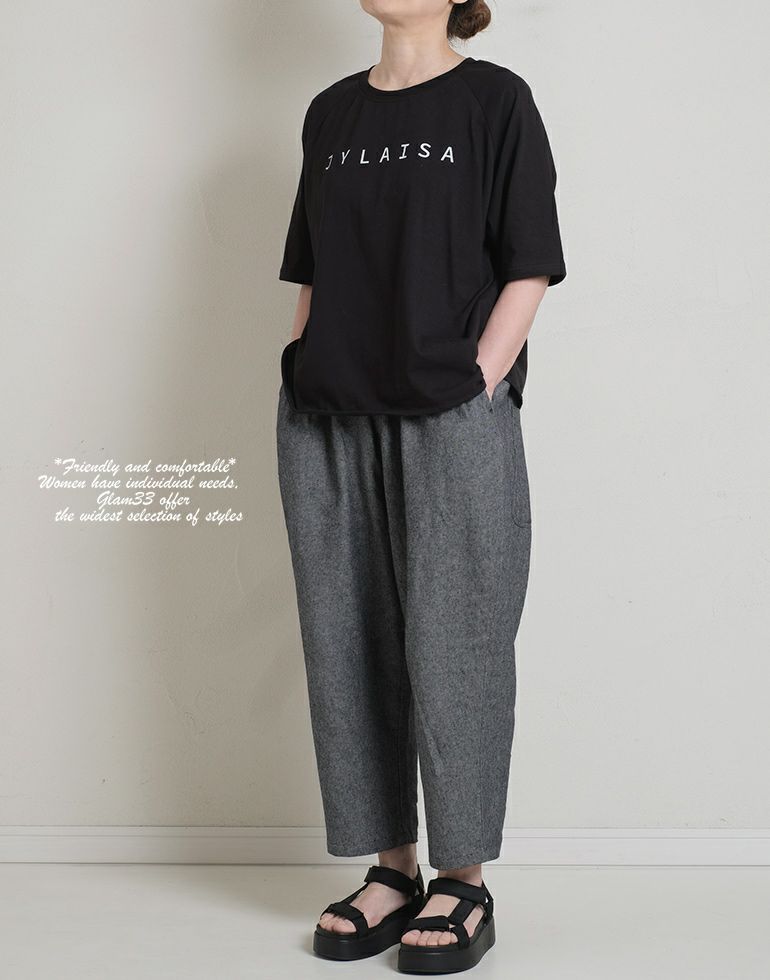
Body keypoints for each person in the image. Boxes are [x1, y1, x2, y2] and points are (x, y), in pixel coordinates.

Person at [275, 0, 566, 973]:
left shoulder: (494, 101)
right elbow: (311, 266)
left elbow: (529, 262)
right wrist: (302, 361)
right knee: (345, 641)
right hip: (327, 414)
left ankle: (463, 879)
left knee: (457, 643)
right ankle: (391, 869)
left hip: (448, 413)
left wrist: (476, 379)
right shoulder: (331, 113)